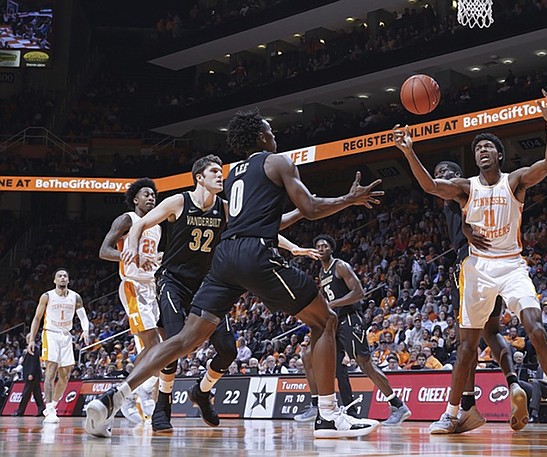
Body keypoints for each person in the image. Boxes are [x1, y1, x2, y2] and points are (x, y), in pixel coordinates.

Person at [85, 108, 383, 439]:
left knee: (184, 340)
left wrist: (294, 242)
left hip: (224, 259)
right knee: (325, 320)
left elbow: (269, 219)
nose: (274, 136)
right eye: (270, 131)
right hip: (250, 256)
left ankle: (114, 396)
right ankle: (328, 416)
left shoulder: (236, 173)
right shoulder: (277, 161)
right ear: (259, 136)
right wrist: (349, 199)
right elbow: (312, 208)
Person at [393, 89, 547, 436]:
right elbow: (430, 185)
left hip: (512, 266)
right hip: (477, 270)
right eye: (477, 149)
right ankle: (452, 413)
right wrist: (409, 151)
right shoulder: (466, 188)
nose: (482, 151)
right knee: (467, 347)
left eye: (487, 147)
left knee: (538, 331)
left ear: (499, 154)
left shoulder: (514, 181)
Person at [121, 155, 316, 433]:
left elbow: (256, 228)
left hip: (207, 283)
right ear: (199, 177)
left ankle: (202, 392)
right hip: (173, 282)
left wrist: (293, 247)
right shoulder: (179, 202)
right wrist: (132, 244)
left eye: (220, 172)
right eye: (214, 171)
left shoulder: (225, 209)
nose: (219, 176)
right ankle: (162, 406)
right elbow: (140, 224)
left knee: (227, 351)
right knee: (174, 346)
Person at [432, 159, 527, 432]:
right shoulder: (482, 194)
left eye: (444, 174)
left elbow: (435, 189)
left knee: (467, 339)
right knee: (491, 331)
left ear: (457, 177)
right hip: (494, 261)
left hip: (469, 264)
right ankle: (513, 383)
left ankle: (466, 407)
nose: (440, 178)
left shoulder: (460, 194)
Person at [294, 234, 411, 425]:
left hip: (350, 319)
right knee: (333, 367)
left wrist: (332, 304)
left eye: (324, 246)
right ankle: (348, 411)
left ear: (331, 249)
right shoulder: (322, 274)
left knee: (365, 363)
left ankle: (398, 406)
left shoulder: (340, 266)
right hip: (335, 323)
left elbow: (359, 293)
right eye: (318, 246)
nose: (321, 248)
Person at [99, 177, 163, 422]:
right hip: (133, 287)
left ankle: (134, 392)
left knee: (161, 346)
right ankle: (131, 393)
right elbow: (104, 251)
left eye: (153, 195)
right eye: (146, 194)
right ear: (135, 199)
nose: (151, 198)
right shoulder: (127, 219)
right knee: (153, 343)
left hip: (152, 286)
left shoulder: (156, 225)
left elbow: (150, 255)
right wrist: (133, 257)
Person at [26, 269, 90, 424]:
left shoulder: (75, 297)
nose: (62, 278)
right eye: (59, 276)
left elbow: (83, 316)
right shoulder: (47, 296)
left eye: (65, 276)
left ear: (68, 280)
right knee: (51, 371)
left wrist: (86, 330)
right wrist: (32, 339)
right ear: (54, 280)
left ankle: (53, 405)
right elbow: (37, 318)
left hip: (66, 336)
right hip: (51, 334)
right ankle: (48, 408)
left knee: (65, 375)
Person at [14, 340, 45, 417]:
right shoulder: (29, 349)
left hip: (32, 375)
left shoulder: (33, 348)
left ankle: (20, 411)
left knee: (26, 394)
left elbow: (34, 362)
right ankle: (42, 410)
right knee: (37, 394)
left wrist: (31, 373)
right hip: (33, 375)